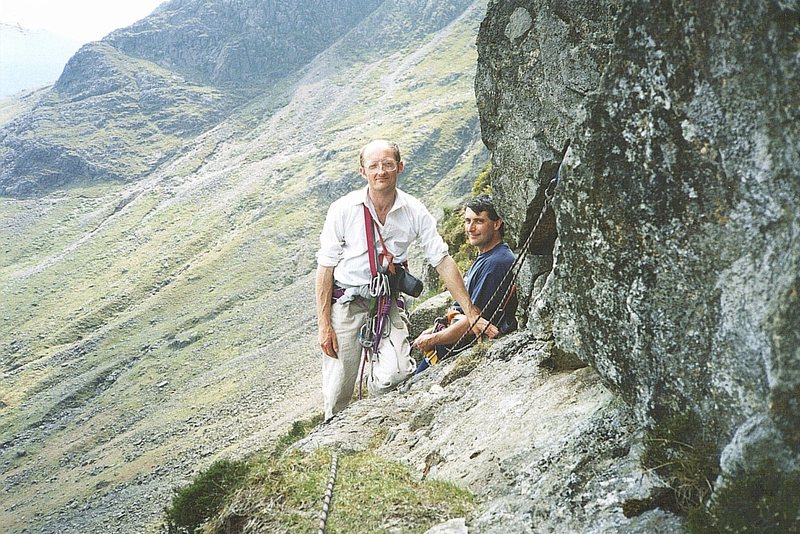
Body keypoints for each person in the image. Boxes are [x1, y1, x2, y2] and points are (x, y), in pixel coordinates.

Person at [315, 139, 495, 421]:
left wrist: (472, 314)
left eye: (387, 164)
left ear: (400, 167)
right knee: (339, 387)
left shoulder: (414, 210)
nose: (381, 171)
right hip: (347, 303)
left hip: (386, 303)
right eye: (373, 166)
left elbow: (442, 260)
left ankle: (374, 423)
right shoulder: (343, 210)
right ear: (363, 172)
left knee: (396, 375)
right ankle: (332, 440)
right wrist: (325, 325)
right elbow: (325, 268)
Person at [412, 195, 518, 373]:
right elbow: (463, 311)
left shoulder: (497, 263)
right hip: (447, 343)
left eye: (479, 221)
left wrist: (432, 340)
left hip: (454, 350)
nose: (471, 228)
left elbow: (472, 322)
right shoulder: (488, 256)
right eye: (467, 221)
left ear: (497, 223)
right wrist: (431, 331)